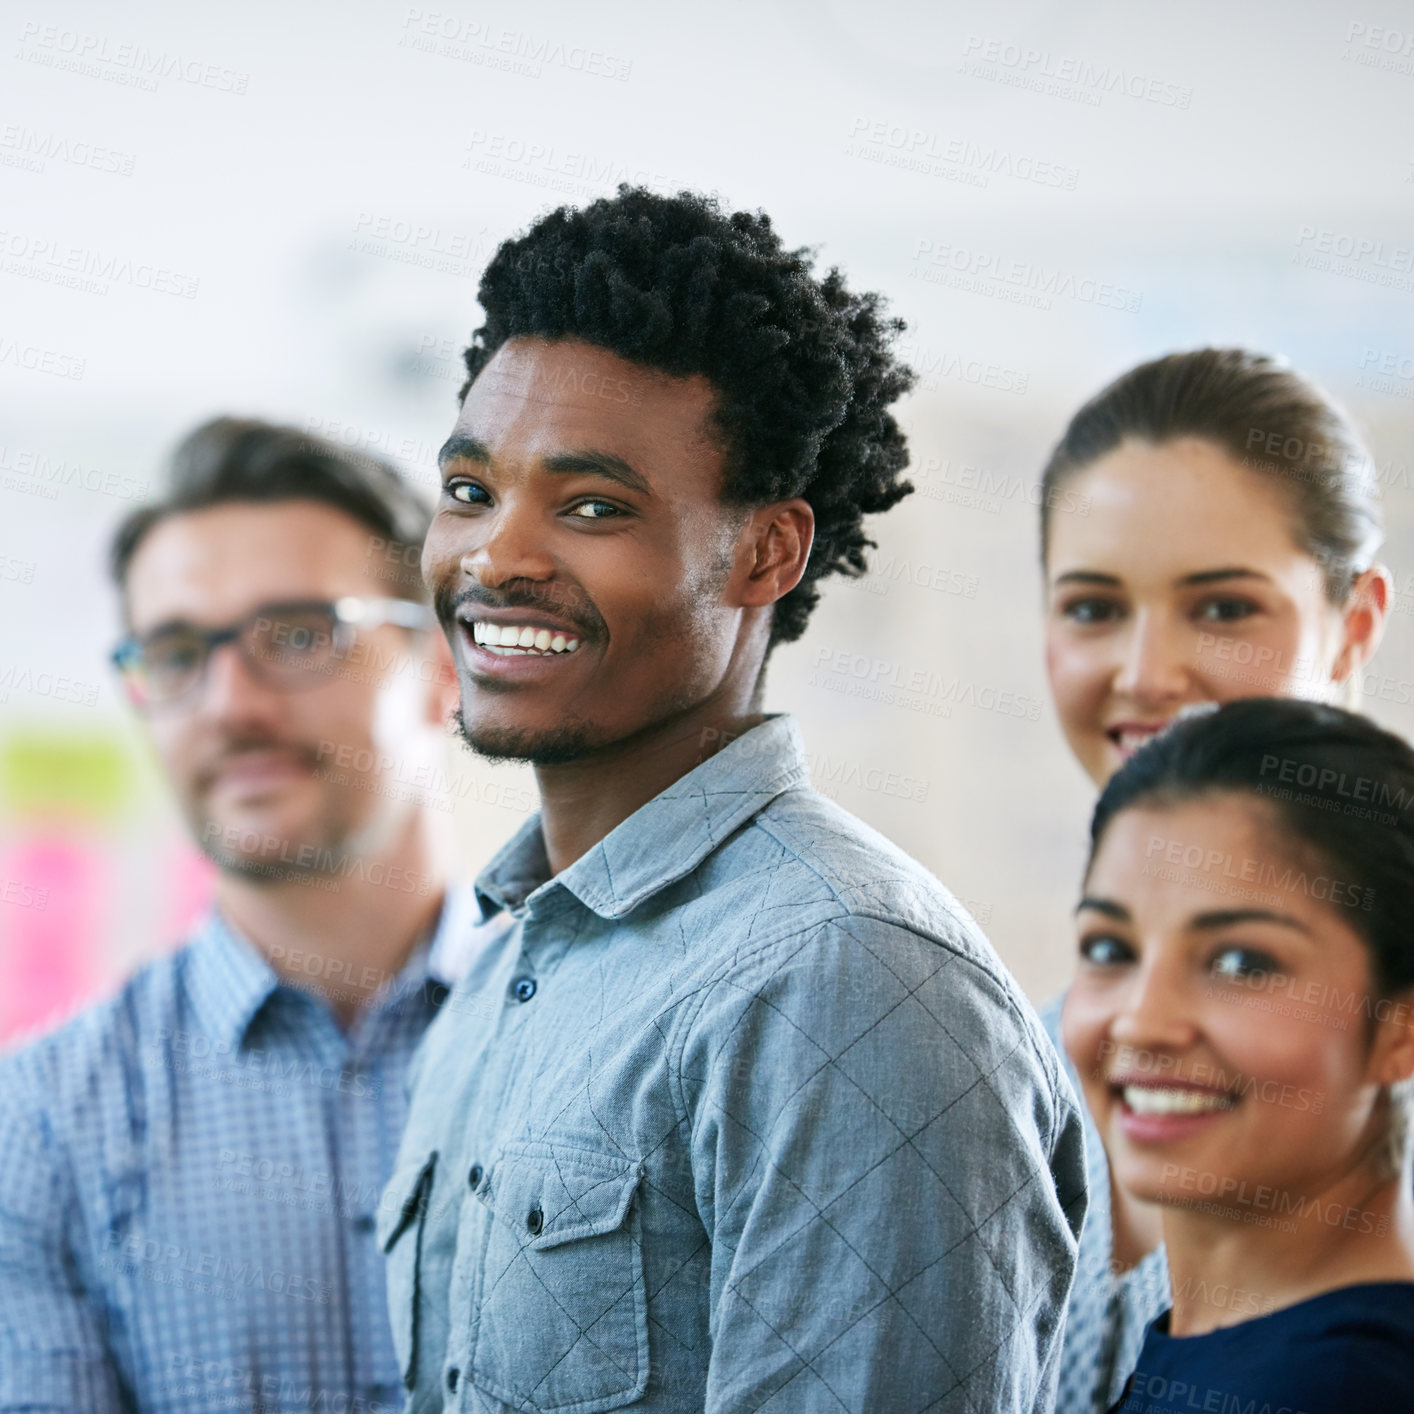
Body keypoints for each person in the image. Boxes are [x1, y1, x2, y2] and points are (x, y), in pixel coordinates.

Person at [384, 186, 1086, 1414]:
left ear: (765, 552)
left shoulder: (848, 978)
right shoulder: (502, 975)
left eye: (594, 505)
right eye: (469, 489)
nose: (496, 556)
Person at [0, 419, 485, 1413]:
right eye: (177, 652)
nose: (231, 703)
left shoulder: (633, 1044)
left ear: (443, 666)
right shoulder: (40, 1125)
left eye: (301, 634)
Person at [1035, 348, 1394, 1411]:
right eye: (1093, 607)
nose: (1146, 672)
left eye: (1223, 608)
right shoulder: (1047, 1050)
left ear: (1355, 624)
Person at [1062, 697, 1414, 1412]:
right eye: (1110, 949)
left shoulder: (1345, 1389)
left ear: (1400, 1028)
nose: (1142, 1021)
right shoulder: (1224, 1347)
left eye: (1242, 963)